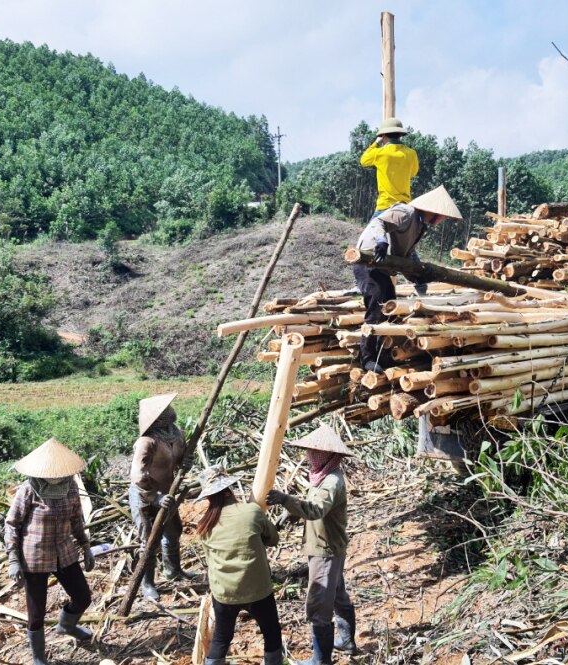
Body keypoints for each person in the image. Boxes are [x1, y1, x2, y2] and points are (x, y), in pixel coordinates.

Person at [266, 425, 356, 665]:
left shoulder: (331, 482)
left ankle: (321, 660)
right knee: (337, 595)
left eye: (312, 452)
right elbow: (311, 503)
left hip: (325, 550)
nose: (308, 456)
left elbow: (316, 509)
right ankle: (346, 641)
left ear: (325, 454)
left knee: (319, 606)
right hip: (329, 545)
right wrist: (291, 513)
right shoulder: (323, 476)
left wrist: (286, 500)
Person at [5, 438, 95, 665]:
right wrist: (13, 559)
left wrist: (86, 547)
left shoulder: (71, 487)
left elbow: (76, 519)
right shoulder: (28, 490)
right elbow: (12, 524)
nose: (55, 477)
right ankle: (38, 658)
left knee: (83, 596)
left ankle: (67, 625)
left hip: (64, 552)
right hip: (34, 557)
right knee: (36, 613)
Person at [354, 185, 463, 372]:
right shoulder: (406, 212)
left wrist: (419, 276)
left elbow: (408, 254)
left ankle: (382, 355)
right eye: (443, 217)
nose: (443, 221)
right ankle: (367, 359)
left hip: (383, 268)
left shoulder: (419, 225)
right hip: (369, 263)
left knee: (389, 309)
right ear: (434, 212)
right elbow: (377, 223)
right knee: (376, 308)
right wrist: (381, 241)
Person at [196, 472, 285, 665]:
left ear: (209, 497)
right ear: (229, 490)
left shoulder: (204, 525)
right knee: (271, 632)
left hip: (225, 593)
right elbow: (273, 539)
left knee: (222, 636)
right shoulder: (251, 511)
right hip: (257, 589)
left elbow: (211, 559)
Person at [130, 392, 196, 601]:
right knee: (149, 541)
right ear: (157, 418)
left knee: (173, 532)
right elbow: (138, 476)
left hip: (168, 490)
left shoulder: (176, 435)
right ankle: (148, 583)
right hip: (145, 495)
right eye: (165, 411)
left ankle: (173, 571)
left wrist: (186, 463)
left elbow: (178, 462)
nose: (171, 413)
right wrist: (154, 497)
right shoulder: (147, 442)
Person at [359, 117, 419, 220]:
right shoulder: (411, 153)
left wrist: (376, 143)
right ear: (400, 135)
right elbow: (413, 172)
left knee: (370, 235)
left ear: (383, 135)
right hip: (405, 206)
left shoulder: (379, 153)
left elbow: (363, 160)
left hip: (385, 206)